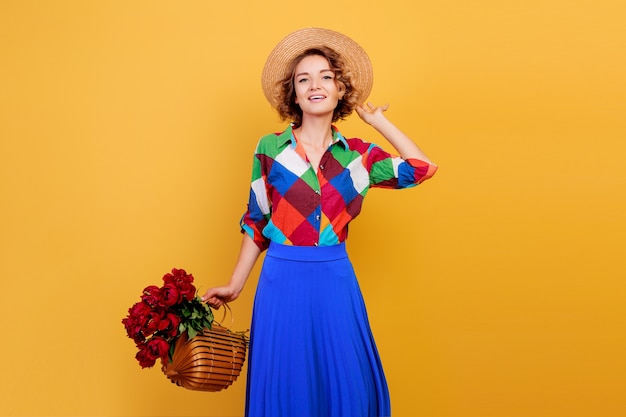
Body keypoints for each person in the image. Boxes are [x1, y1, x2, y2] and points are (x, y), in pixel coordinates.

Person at [202, 27, 437, 417]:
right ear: (292, 94)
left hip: (334, 279)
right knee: (284, 386)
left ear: (341, 89)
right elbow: (257, 221)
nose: (315, 85)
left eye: (326, 77)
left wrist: (378, 122)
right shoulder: (270, 149)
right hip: (281, 280)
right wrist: (235, 284)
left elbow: (421, 168)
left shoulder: (359, 158)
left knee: (347, 385)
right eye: (303, 79)